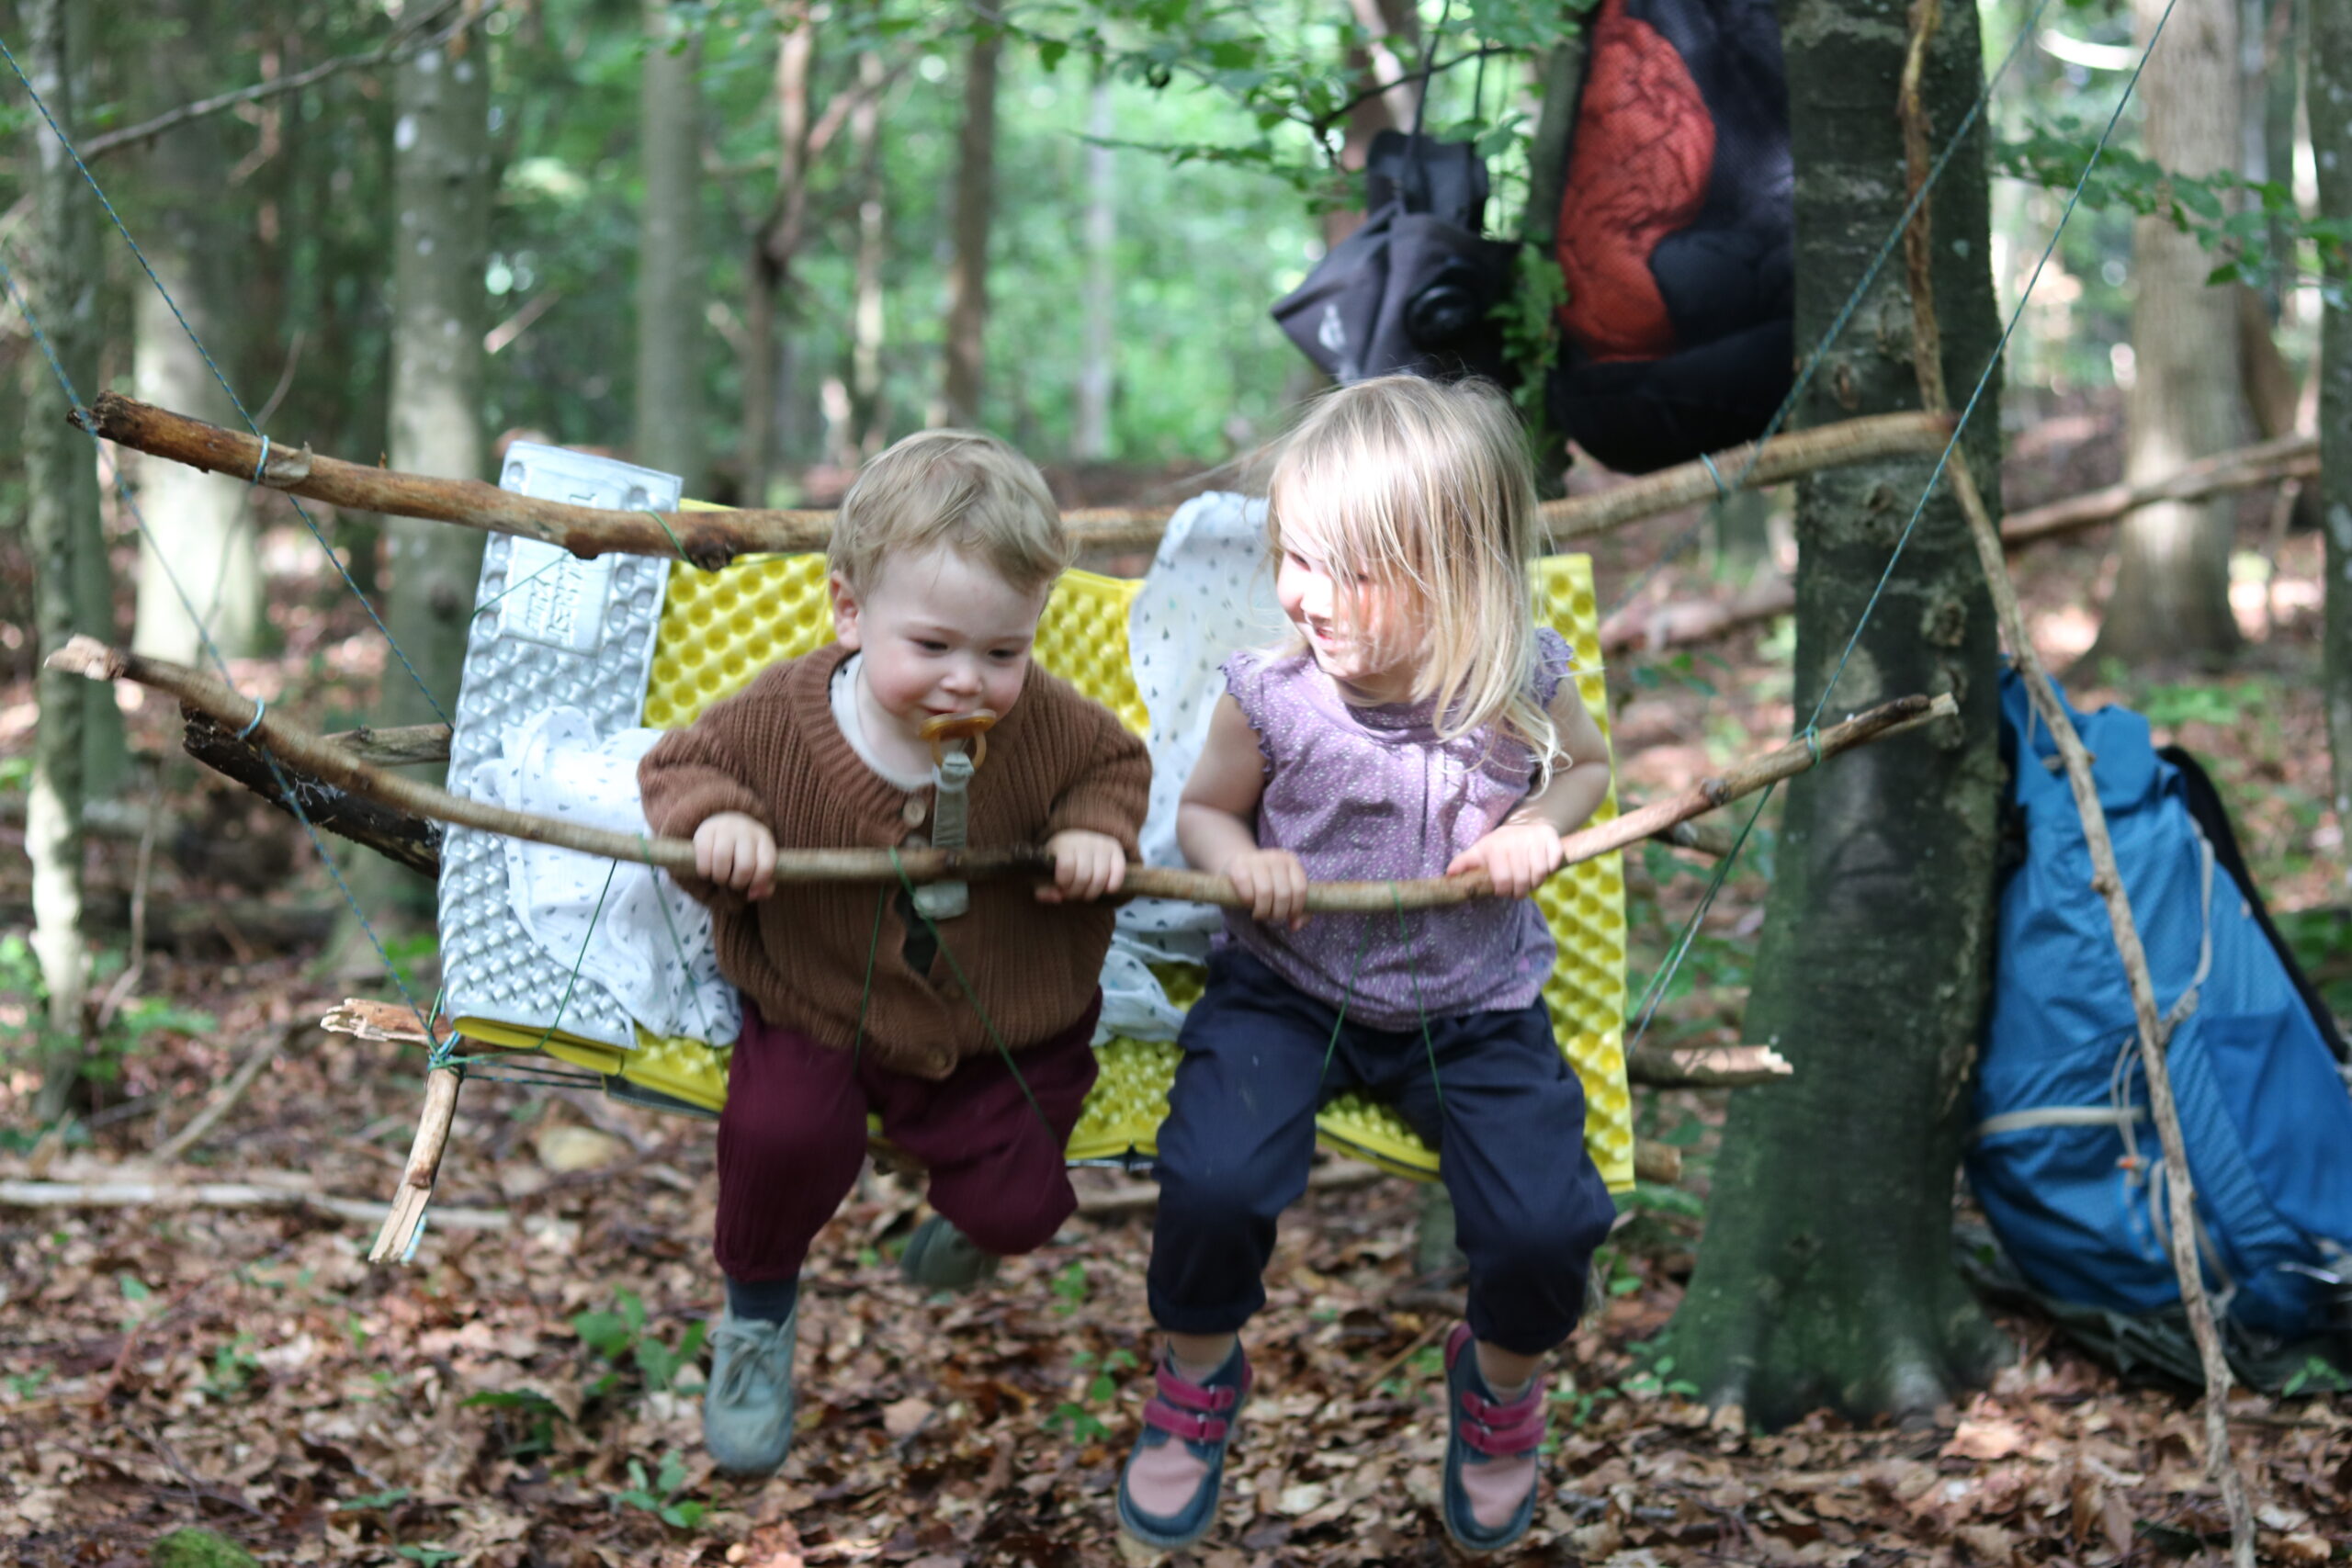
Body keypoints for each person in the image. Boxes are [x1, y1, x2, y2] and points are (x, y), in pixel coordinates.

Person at [1115, 377, 1619, 1555]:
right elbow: (1202, 814)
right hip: (1286, 989)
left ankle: (1498, 1390)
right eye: (1292, 556)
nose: (1302, 595)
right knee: (1213, 1184)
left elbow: (1587, 769)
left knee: (1548, 1229)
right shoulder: (1273, 697)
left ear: (1453, 570)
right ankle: (1195, 1379)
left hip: (1474, 1006)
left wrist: (1539, 827)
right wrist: (1242, 863)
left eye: (1343, 569)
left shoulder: (1518, 683)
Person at [639, 430, 1150, 1477]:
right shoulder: (782, 714)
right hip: (818, 993)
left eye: (1002, 654)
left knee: (1019, 1199)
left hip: (1004, 1011)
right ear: (848, 610)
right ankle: (756, 1317)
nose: (968, 682)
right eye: (933, 648)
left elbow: (1114, 763)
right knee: (779, 1137)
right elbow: (680, 769)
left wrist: (1097, 829)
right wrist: (719, 824)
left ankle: (971, 1219)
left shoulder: (1046, 725)